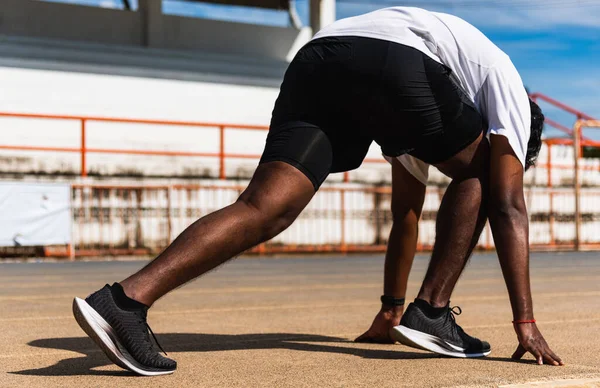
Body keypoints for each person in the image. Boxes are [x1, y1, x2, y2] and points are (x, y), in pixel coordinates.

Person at [72, 7, 561, 376]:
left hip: (319, 61)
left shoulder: (431, 116)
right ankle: (432, 312)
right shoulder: (509, 94)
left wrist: (391, 311)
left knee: (266, 207)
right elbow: (505, 202)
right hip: (392, 60)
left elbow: (406, 216)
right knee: (482, 174)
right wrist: (525, 321)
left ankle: (124, 302)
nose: (513, 164)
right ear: (522, 136)